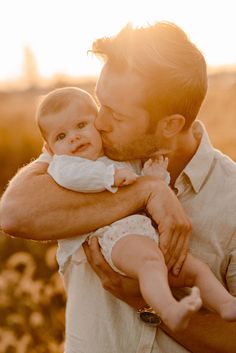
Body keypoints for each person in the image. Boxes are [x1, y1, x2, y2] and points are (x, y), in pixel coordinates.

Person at [0, 21, 236, 353]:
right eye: (100, 104)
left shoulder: (231, 197)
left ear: (170, 125)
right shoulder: (87, 150)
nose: (99, 121)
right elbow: (14, 213)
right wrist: (146, 192)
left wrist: (141, 299)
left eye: (116, 115)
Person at [36, 85, 236, 334]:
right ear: (48, 148)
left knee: (194, 270)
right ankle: (170, 310)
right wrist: (111, 175)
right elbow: (76, 177)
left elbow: (148, 189)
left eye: (81, 125)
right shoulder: (64, 165)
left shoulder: (122, 155)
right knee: (150, 264)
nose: (74, 138)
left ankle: (226, 304)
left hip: (143, 234)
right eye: (61, 137)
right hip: (113, 239)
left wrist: (155, 178)